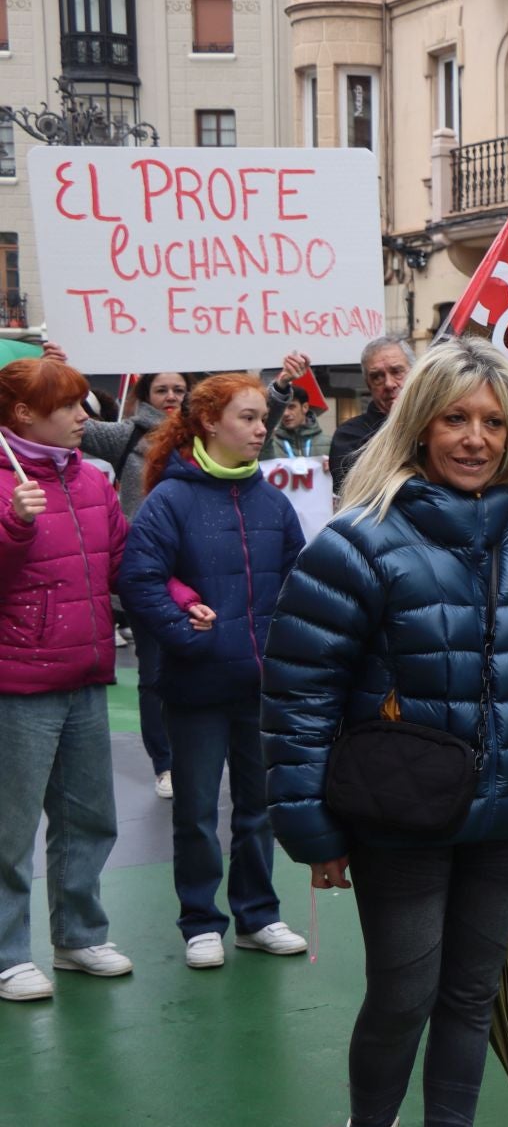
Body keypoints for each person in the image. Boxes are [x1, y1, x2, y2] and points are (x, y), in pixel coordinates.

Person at [262, 337, 508, 1127]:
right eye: (454, 418)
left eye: (492, 420)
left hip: (505, 807)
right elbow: (299, 689)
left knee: (470, 996)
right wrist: (312, 825)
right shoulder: (358, 539)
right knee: (403, 990)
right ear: (417, 423)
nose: (474, 438)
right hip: (400, 808)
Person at [120, 373, 309, 970]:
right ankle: (201, 921)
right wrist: (185, 639)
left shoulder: (273, 501)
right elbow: (138, 580)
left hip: (259, 688)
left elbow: (297, 581)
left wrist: (288, 652)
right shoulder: (169, 502)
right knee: (197, 811)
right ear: (209, 424)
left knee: (260, 810)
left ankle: (258, 916)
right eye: (249, 419)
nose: (261, 429)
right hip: (196, 688)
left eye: (261, 419)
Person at [0, 357, 132, 1001]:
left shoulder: (90, 481)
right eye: (71, 406)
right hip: (17, 681)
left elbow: (124, 562)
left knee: (89, 816)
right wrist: (13, 526)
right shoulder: (7, 485)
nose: (86, 416)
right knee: (11, 824)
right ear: (24, 414)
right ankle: (6, 952)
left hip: (84, 671)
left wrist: (182, 593)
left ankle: (79, 936)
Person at [80, 368, 194, 799]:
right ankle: (163, 763)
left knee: (197, 667)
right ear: (146, 394)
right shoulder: (126, 435)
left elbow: (258, 427)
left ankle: (192, 755)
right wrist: (59, 371)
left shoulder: (202, 434)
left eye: (179, 389)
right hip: (146, 572)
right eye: (162, 389)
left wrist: (277, 392)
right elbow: (73, 422)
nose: (170, 396)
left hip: (194, 571)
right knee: (154, 673)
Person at [328, 337, 414, 501]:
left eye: (397, 371)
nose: (389, 384)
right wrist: (396, 426)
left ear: (414, 374)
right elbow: (353, 489)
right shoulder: (348, 435)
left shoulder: (433, 426)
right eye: (377, 377)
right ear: (369, 385)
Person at [266, 389, 330, 460]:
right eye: (283, 408)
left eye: (291, 407)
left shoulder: (329, 444)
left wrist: (332, 466)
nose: (285, 413)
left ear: (305, 407)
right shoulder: (270, 446)